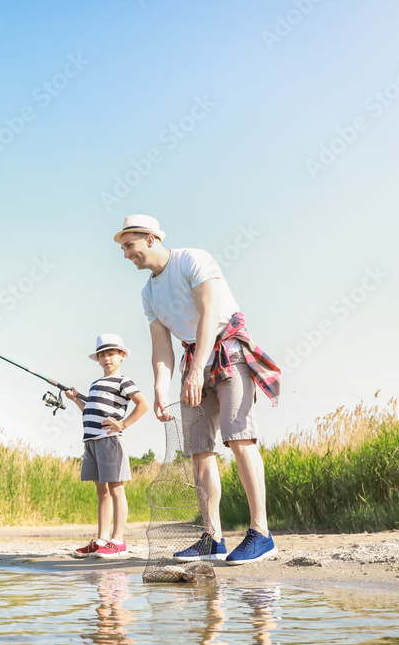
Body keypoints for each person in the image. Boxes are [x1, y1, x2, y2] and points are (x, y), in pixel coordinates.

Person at [114, 214, 282, 565]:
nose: (126, 254)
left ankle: (261, 533)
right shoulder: (148, 293)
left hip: (228, 353)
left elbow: (208, 314)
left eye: (128, 245)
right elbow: (161, 347)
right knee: (199, 451)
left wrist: (194, 374)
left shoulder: (193, 259)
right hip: (194, 360)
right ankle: (213, 538)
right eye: (122, 248)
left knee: (240, 439)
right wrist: (160, 389)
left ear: (150, 239)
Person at [66, 334, 149, 559]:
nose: (106, 358)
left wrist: (123, 424)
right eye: (102, 355)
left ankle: (118, 541)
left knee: (115, 489)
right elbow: (89, 411)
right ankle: (102, 540)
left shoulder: (124, 381)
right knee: (101, 492)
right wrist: (75, 399)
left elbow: (143, 405)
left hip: (109, 441)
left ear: (122, 356)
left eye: (111, 353)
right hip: (91, 441)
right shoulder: (95, 384)